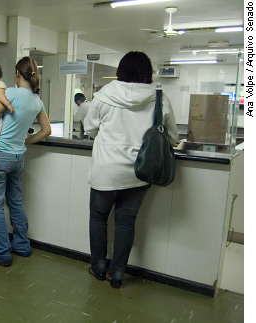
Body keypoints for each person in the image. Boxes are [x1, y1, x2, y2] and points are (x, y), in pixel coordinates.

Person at [83, 51, 178, 288]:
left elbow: (90, 129)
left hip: (106, 169)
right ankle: (116, 274)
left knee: (98, 218)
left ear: (120, 71)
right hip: (140, 172)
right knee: (126, 221)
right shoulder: (160, 98)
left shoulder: (103, 95)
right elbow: (172, 137)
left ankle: (97, 267)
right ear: (149, 73)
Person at [0, 57, 51, 267]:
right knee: (15, 202)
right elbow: (46, 130)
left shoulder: (9, 93)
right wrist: (26, 140)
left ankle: (1, 252)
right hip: (18, 156)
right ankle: (22, 245)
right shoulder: (37, 100)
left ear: (18, 74)